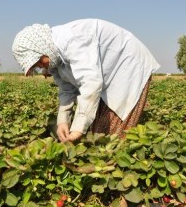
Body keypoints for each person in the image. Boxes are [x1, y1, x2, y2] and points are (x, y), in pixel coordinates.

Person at [12, 19, 160, 143]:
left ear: (41, 48)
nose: (40, 67)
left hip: (128, 66)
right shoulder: (54, 56)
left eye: (38, 61)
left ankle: (116, 166)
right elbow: (66, 89)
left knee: (112, 133)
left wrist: (77, 128)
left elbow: (91, 84)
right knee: (97, 130)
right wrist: (63, 121)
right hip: (106, 74)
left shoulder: (73, 39)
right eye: (36, 66)